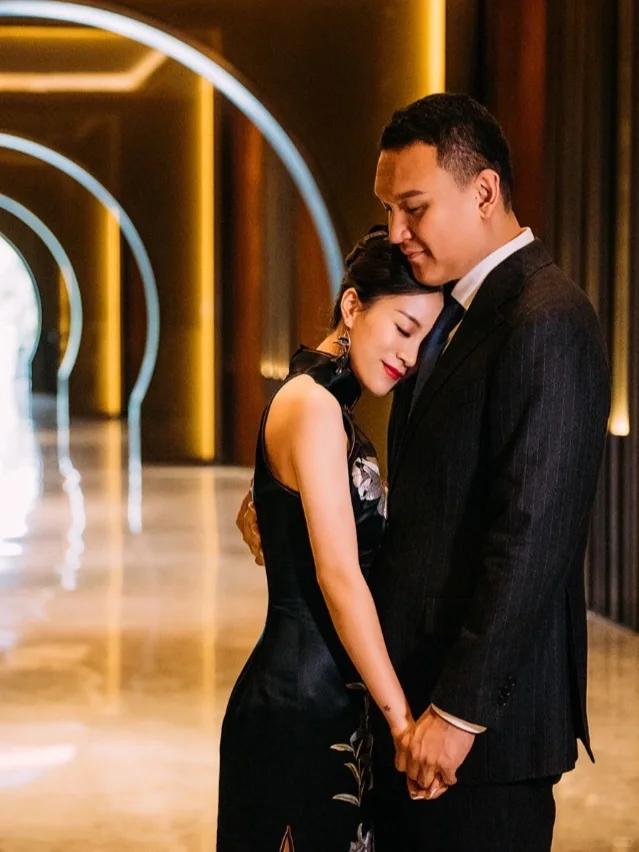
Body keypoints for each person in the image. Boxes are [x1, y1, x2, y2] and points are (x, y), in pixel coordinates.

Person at [369, 93, 611, 851]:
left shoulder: (547, 317)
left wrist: (457, 714)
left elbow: (532, 538)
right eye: (388, 212)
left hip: (482, 737)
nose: (395, 233)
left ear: (482, 191)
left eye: (413, 209)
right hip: (416, 706)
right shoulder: (448, 309)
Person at [216, 229, 443, 852]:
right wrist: (403, 724)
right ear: (351, 305)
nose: (410, 355)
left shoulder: (323, 404)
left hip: (331, 706)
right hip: (299, 712)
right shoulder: (314, 406)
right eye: (403, 328)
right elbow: (339, 578)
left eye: (423, 340)